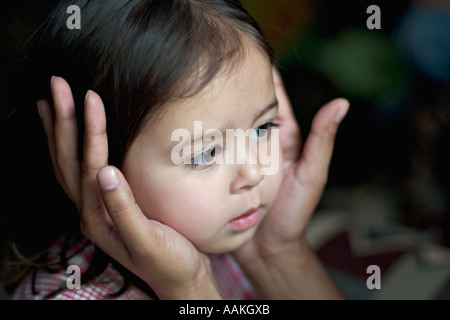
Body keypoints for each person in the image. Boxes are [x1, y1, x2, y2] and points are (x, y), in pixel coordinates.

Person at [1, 0, 348, 300]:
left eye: (262, 128)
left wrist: (279, 251)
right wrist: (188, 288)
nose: (254, 172)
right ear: (96, 163)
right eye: (205, 154)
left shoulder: (222, 245)